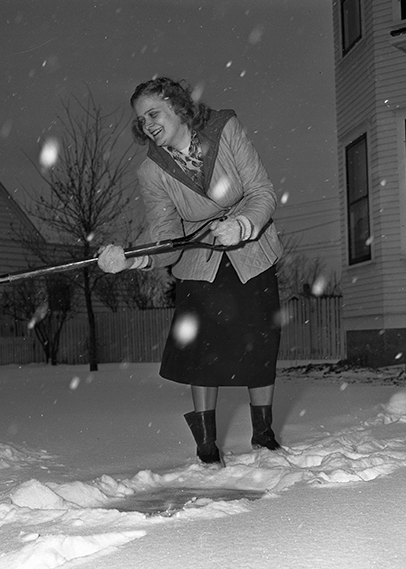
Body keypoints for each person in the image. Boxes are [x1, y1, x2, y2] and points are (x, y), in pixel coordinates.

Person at [97, 76, 283, 465]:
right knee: (204, 353)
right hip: (200, 265)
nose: (147, 124)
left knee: (259, 346)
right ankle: (207, 444)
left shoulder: (225, 128)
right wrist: (132, 258)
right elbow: (166, 238)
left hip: (252, 253)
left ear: (177, 106)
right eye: (141, 119)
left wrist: (242, 225)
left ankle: (263, 436)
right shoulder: (152, 171)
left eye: (153, 113)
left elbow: (262, 191)